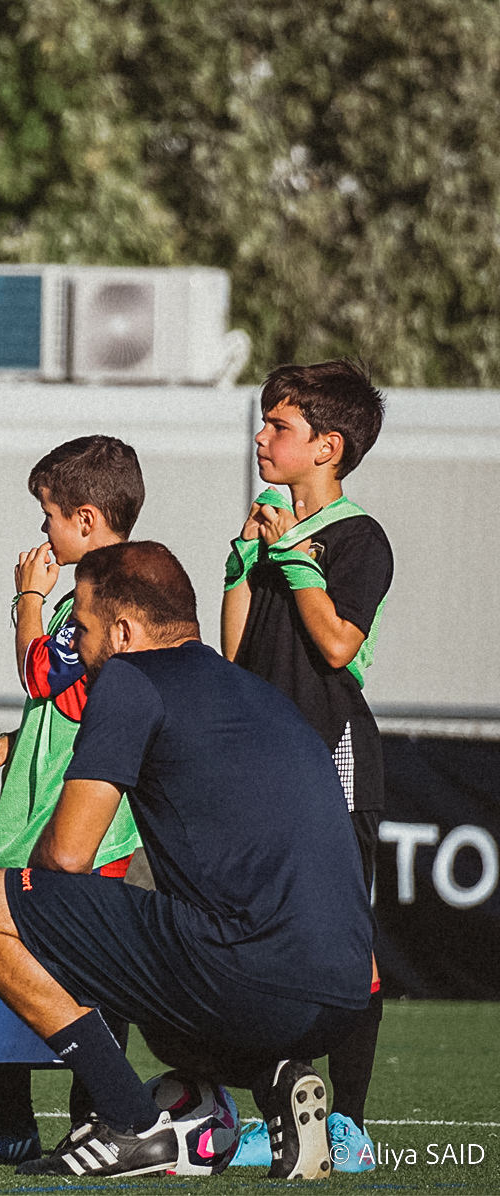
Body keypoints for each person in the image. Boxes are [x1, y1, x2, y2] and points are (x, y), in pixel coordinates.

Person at [0, 541, 373, 1181]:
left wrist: (30, 901)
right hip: (344, 995)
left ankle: (131, 1124)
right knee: (164, 1032)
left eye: (82, 628)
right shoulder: (256, 692)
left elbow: (66, 856)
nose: (77, 646)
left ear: (123, 632)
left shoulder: (128, 678)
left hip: (254, 971)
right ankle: (273, 1078)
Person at [221, 359, 391, 1173]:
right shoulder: (272, 529)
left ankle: (349, 1125)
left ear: (328, 446)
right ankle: (283, 1115)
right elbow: (233, 650)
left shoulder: (360, 538)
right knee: (260, 937)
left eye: (279, 425)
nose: (261, 436)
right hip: (260, 755)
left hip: (331, 752)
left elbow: (336, 643)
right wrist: (242, 559)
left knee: (342, 937)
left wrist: (290, 552)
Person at [0, 435, 145, 1165]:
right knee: (6, 967)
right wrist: (20, 738)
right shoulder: (94, 591)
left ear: (87, 519)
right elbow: (71, 702)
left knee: (81, 972)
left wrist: (28, 597)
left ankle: (92, 1117)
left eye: (50, 516)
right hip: (39, 814)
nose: (43, 531)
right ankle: (18, 1121)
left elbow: (41, 672)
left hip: (77, 825)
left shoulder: (108, 592)